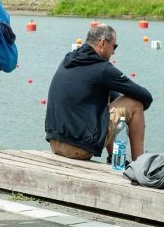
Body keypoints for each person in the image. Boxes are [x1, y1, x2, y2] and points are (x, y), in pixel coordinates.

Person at [45, 24, 153, 163]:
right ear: (103, 43)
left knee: (105, 95)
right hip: (78, 149)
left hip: (55, 143)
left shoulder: (68, 60)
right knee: (136, 104)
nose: (114, 52)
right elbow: (146, 97)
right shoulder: (103, 69)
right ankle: (140, 165)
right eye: (114, 46)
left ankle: (113, 157)